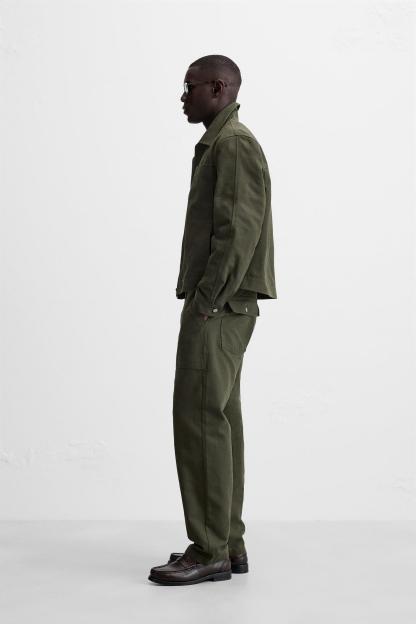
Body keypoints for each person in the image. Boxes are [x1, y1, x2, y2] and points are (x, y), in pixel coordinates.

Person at [148, 54, 277, 585]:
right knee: (218, 421)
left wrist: (206, 299)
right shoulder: (221, 143)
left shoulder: (233, 144)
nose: (183, 96)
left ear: (219, 88)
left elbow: (238, 233)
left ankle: (208, 551)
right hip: (227, 305)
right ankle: (228, 543)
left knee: (199, 422)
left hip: (220, 307)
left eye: (190, 86)